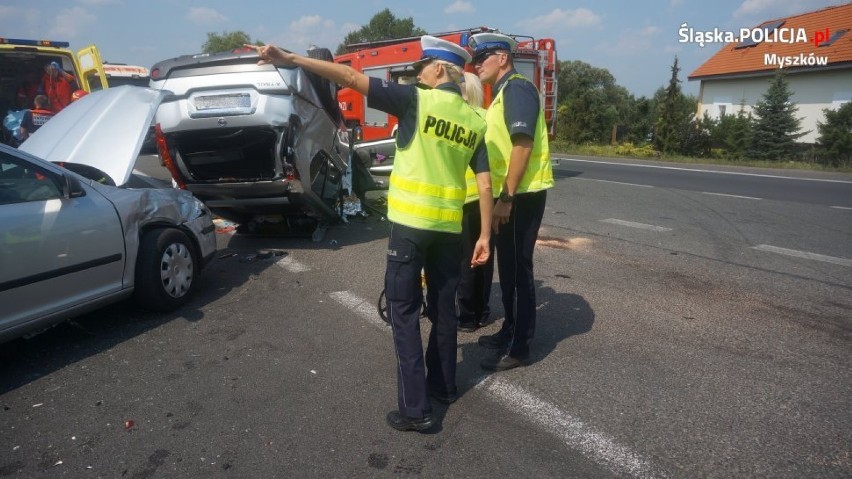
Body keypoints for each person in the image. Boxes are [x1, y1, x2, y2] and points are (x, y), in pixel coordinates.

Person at [248, 36, 493, 432]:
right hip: (449, 230)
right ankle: (444, 386)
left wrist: (290, 57)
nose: (419, 73)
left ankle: (417, 411)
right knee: (444, 311)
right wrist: (483, 234)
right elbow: (484, 184)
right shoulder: (474, 120)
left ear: (439, 70)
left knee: (405, 314)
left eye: (423, 67)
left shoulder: (416, 100)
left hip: (410, 228)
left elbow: (347, 76)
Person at [469, 32, 554, 372]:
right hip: (513, 194)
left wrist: (506, 198)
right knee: (508, 270)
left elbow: (522, 145)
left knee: (518, 272)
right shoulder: (502, 94)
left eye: (482, 59)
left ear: (502, 58)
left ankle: (519, 347)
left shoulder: (517, 89)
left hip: (521, 196)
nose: (476, 66)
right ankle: (509, 330)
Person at [457, 72, 498, 332]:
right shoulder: (488, 117)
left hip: (464, 197)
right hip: (487, 197)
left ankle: (467, 316)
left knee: (464, 261)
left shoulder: (462, 118)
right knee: (483, 256)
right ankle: (482, 311)